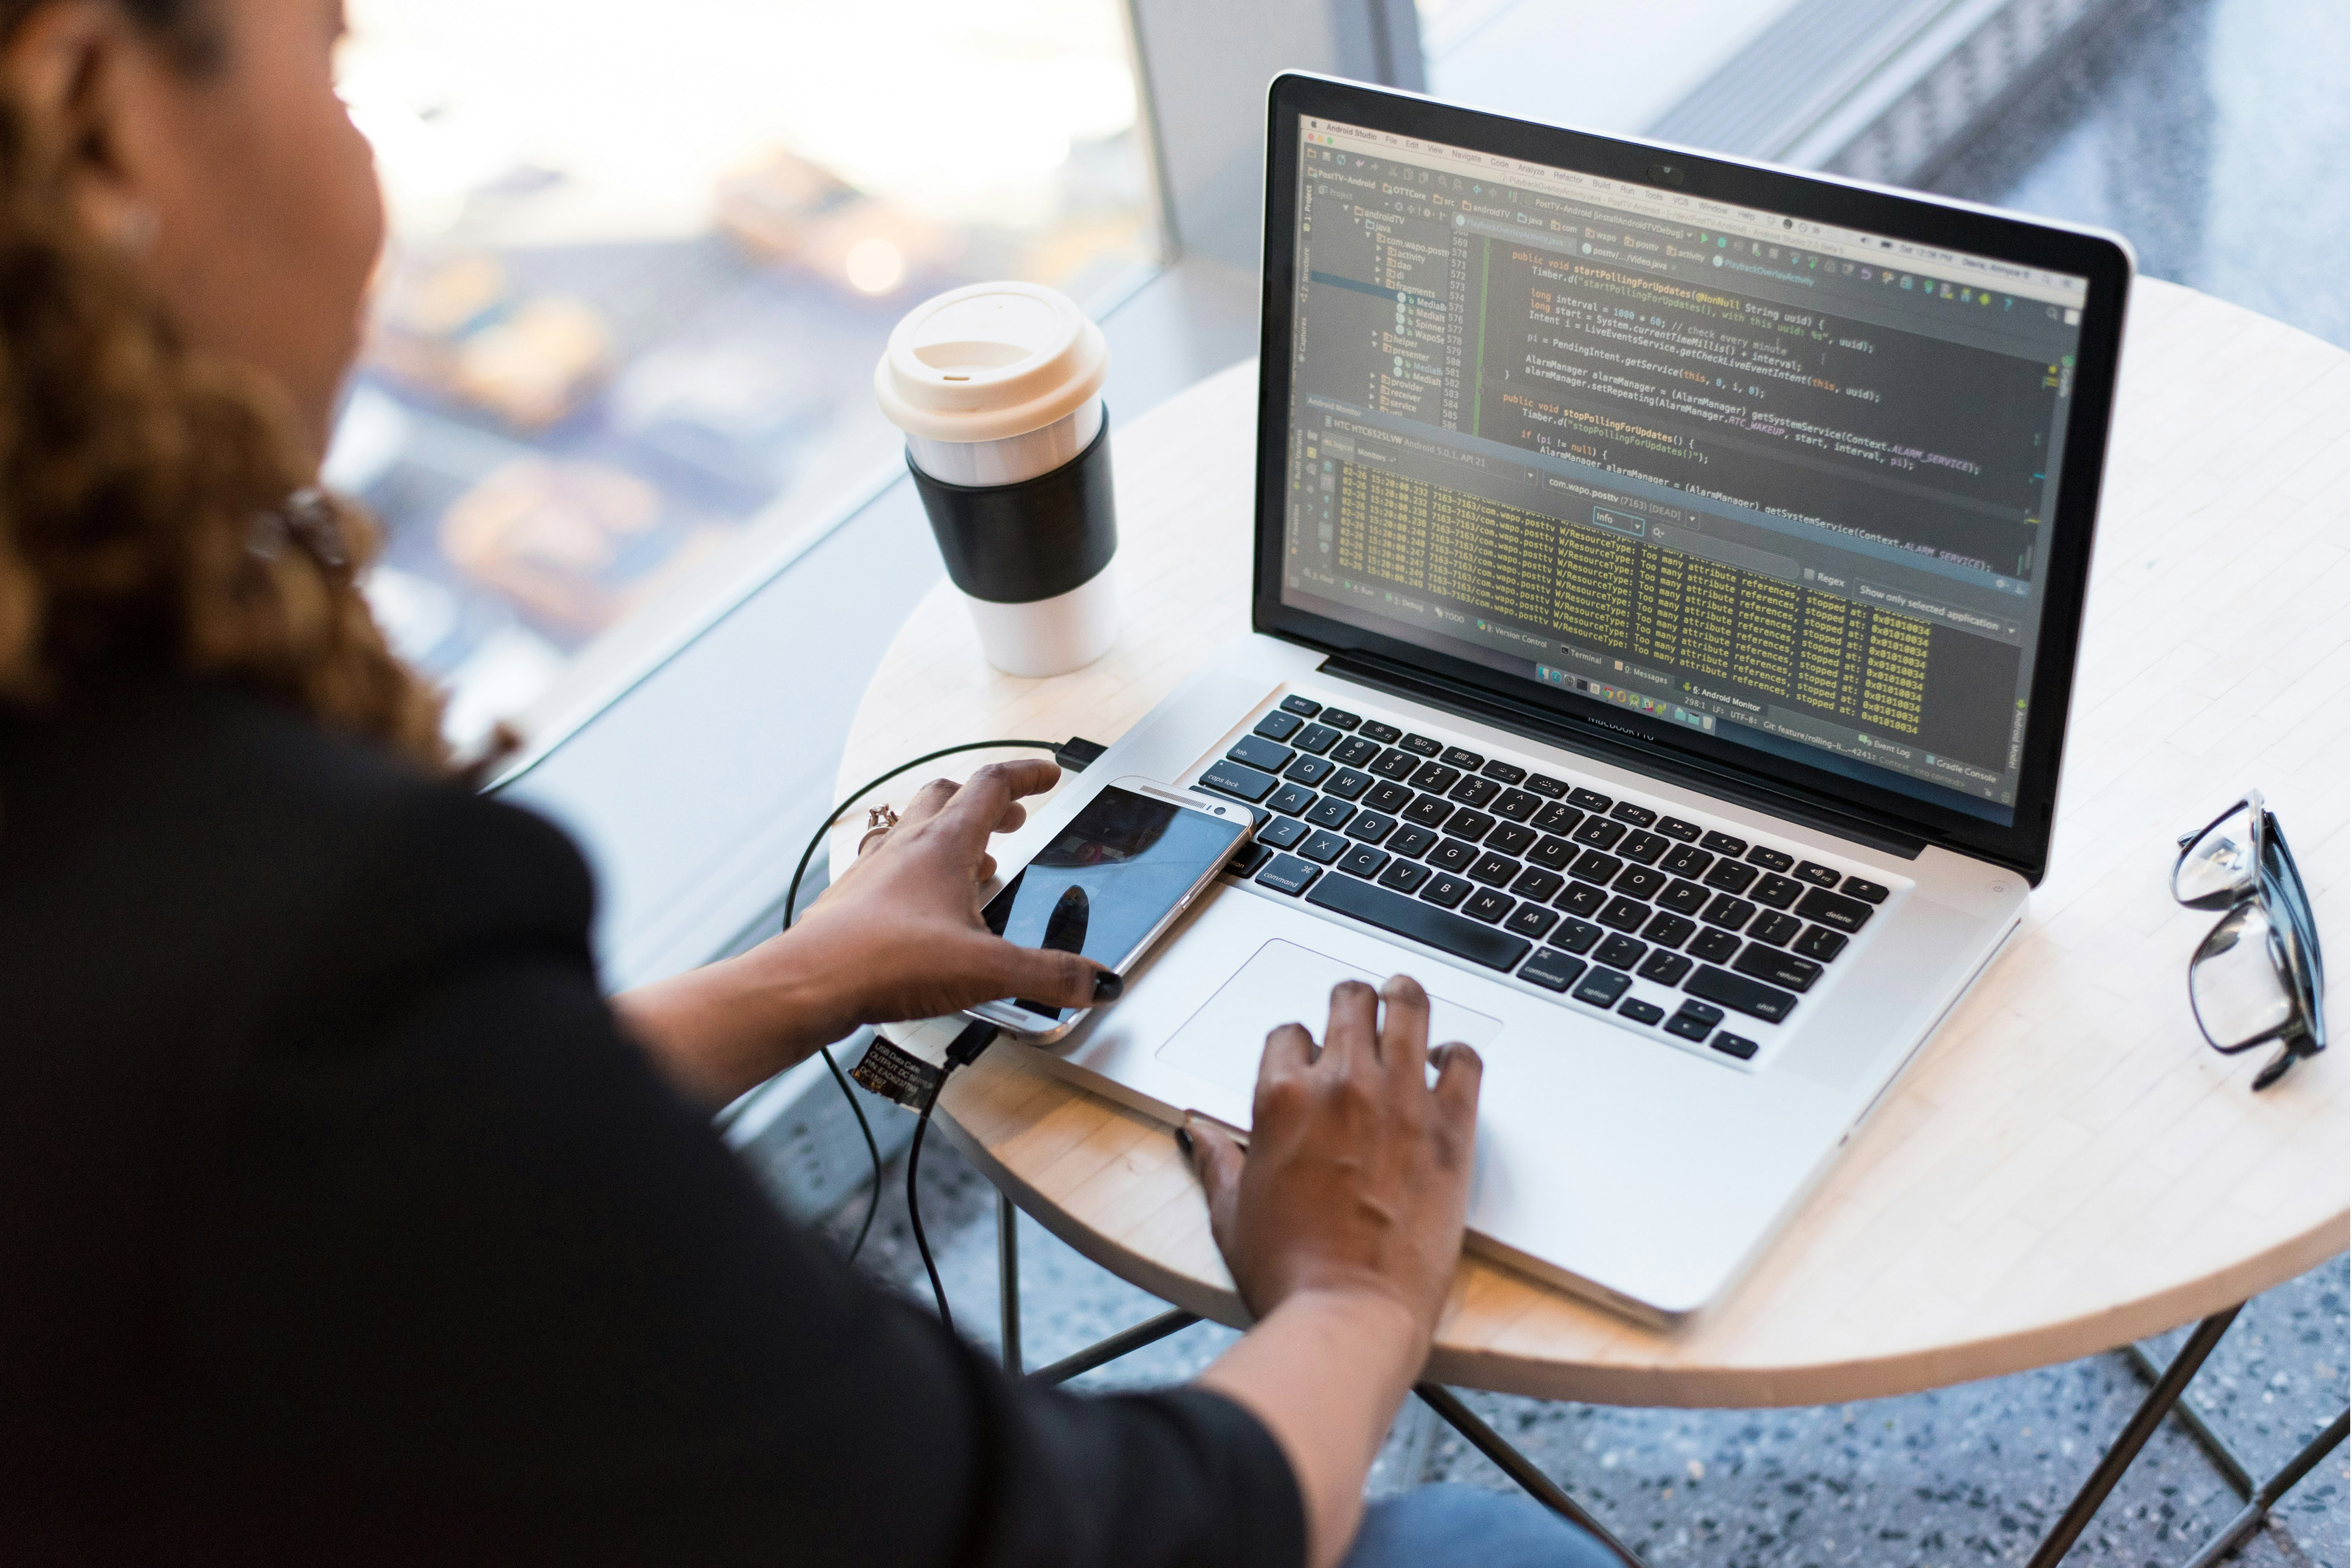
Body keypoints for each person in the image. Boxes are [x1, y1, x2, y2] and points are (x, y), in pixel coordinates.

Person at [0, 0, 1619, 1562]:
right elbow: (1057, 1537)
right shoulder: (294, 918)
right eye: (331, 59)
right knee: (1489, 1549)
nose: (364, 166)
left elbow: (329, 1157)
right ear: (96, 121)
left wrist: (795, 981)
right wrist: (1350, 1295)